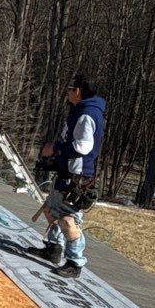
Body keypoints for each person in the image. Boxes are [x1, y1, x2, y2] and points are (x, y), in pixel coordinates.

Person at [34, 73, 107, 278]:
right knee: (51, 208)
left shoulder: (87, 114)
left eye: (69, 89)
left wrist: (55, 149)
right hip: (68, 169)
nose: (67, 92)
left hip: (77, 174)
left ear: (78, 91)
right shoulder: (82, 110)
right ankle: (53, 248)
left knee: (68, 219)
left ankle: (75, 262)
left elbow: (83, 146)